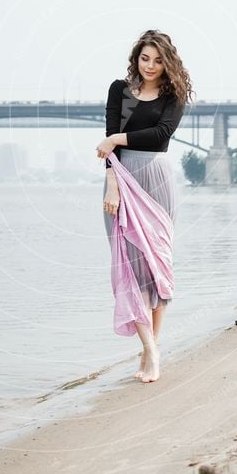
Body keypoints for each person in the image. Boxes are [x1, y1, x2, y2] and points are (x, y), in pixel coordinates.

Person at [95, 29, 194, 383]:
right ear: (136, 58)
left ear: (167, 63)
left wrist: (117, 138)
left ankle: (151, 348)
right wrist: (112, 186)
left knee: (156, 266)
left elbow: (161, 135)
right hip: (121, 182)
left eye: (157, 59)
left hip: (158, 180)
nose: (150, 66)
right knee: (129, 268)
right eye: (144, 58)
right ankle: (151, 350)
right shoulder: (118, 91)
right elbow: (110, 151)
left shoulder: (174, 96)